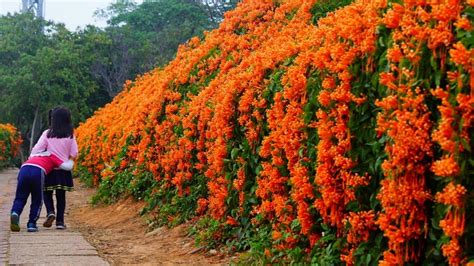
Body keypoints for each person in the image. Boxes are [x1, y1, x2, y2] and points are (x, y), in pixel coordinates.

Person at [31, 107, 78, 230]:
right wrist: (68, 160)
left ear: (54, 119)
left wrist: (46, 154)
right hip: (63, 170)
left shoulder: (47, 133)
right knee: (61, 196)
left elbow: (36, 150)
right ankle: (60, 222)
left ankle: (50, 212)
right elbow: (75, 152)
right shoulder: (70, 134)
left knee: (47, 193)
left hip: (49, 169)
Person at [10, 151, 74, 232]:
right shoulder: (53, 156)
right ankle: (31, 224)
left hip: (24, 169)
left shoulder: (35, 154)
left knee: (20, 197)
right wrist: (71, 159)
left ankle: (15, 213)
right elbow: (67, 166)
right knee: (37, 200)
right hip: (38, 171)